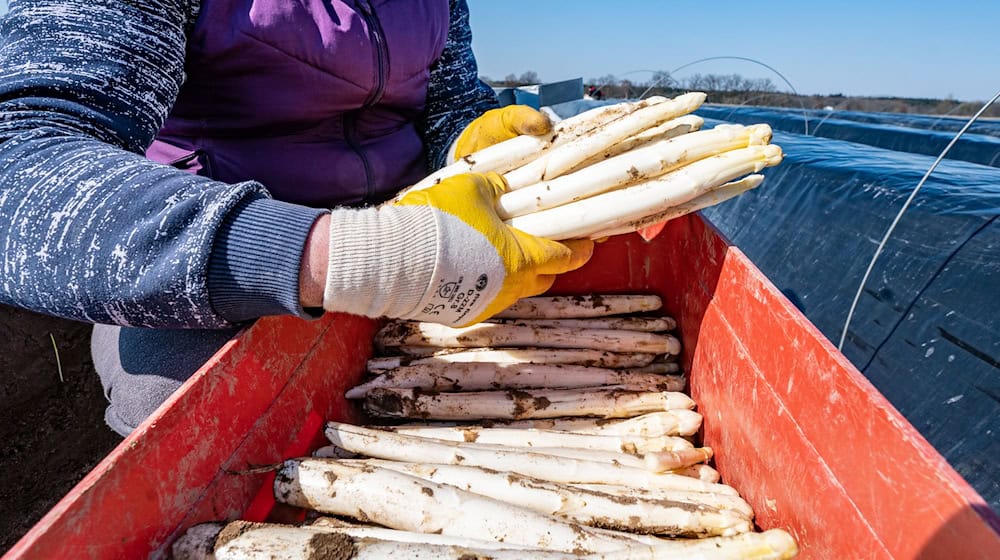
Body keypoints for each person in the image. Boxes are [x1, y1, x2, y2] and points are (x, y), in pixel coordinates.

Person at [0, 0, 593, 435]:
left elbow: (448, 102)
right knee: (186, 410)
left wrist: (467, 139)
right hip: (221, 250)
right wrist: (364, 255)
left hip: (423, 221)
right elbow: (18, 164)